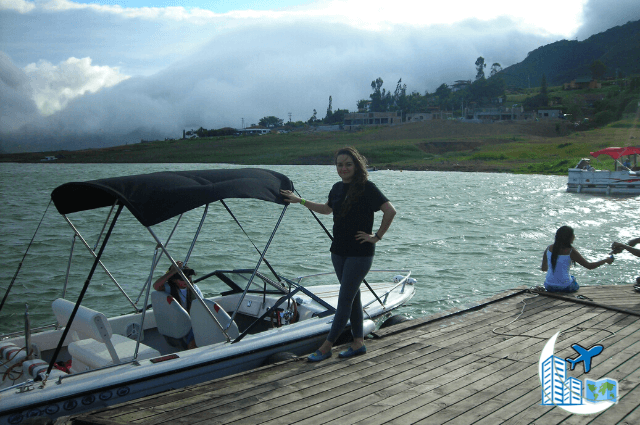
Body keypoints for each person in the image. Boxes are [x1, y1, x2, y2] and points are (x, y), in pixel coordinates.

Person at [280, 147, 396, 362]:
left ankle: (326, 347)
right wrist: (301, 201)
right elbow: (326, 210)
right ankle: (358, 343)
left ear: (356, 166)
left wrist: (377, 236)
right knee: (353, 298)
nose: (343, 168)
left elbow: (390, 211)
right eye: (339, 164)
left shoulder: (367, 188)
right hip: (338, 251)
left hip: (360, 253)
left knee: (344, 301)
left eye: (348, 164)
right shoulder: (336, 188)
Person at [540, 226, 614, 293]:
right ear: (569, 237)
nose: (574, 237)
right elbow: (589, 266)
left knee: (569, 277)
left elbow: (544, 268)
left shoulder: (548, 248)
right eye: (573, 235)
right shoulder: (571, 251)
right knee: (572, 279)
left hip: (549, 286)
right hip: (565, 287)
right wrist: (605, 260)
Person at [153, 261, 202, 349]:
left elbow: (201, 307)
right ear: (174, 279)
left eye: (188, 277)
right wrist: (172, 271)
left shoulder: (194, 289)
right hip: (176, 323)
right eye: (181, 278)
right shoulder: (168, 288)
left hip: (192, 322)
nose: (186, 280)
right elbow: (156, 286)